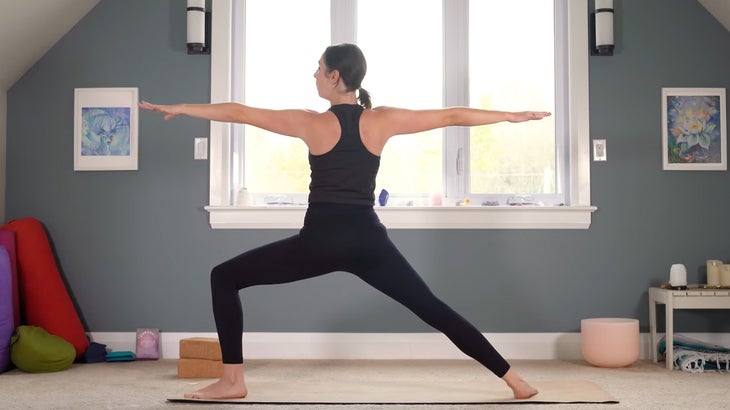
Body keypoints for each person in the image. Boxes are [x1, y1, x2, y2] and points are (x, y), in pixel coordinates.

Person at [139, 43, 549, 401]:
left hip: (318, 242)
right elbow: (453, 116)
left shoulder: (311, 122)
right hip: (368, 243)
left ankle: (232, 380)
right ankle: (515, 381)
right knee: (434, 310)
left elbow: (241, 113)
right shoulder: (381, 119)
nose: (314, 74)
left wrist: (183, 107)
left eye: (318, 68)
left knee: (223, 277)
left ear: (334, 76)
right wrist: (511, 116)